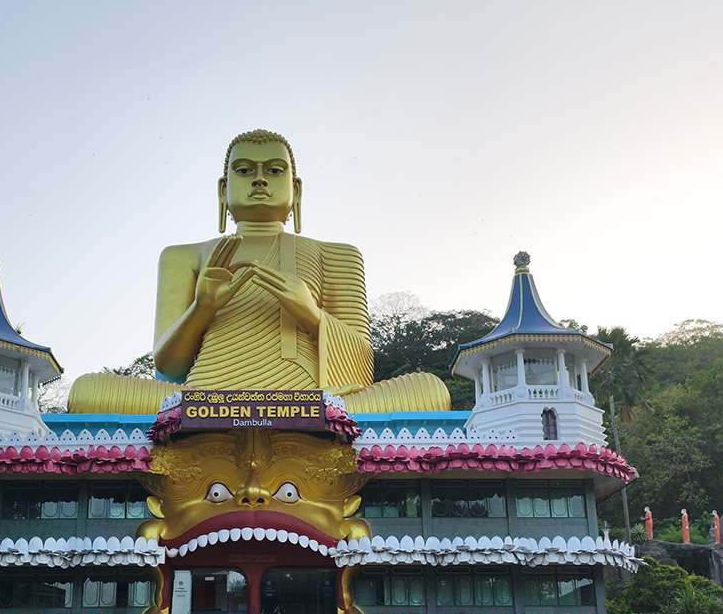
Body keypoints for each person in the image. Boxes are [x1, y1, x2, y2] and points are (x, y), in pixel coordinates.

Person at [67, 130, 448, 413]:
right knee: (86, 392)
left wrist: (311, 315)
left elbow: (362, 364)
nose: (260, 179)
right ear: (223, 190)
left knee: (430, 390)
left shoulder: (337, 255)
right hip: (204, 397)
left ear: (296, 191)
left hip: (312, 399)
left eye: (275, 170)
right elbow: (169, 366)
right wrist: (202, 308)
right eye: (246, 169)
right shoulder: (183, 256)